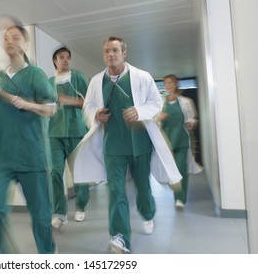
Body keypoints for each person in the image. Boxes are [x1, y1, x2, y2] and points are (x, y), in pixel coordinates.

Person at [68, 36, 182, 254]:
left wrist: (139, 111)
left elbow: (156, 103)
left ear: (124, 53)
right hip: (112, 146)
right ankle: (119, 237)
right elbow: (88, 107)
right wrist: (95, 114)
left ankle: (147, 214)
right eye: (106, 51)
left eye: (114, 51)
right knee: (116, 191)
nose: (110, 55)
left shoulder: (142, 76)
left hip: (140, 143)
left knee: (143, 187)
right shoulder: (96, 81)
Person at [0, 25, 57, 254]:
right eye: (6, 38)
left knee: (41, 215)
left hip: (31, 156)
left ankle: (47, 254)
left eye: (15, 37)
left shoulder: (35, 74)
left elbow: (51, 109)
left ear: (25, 44)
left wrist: (26, 104)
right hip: (4, 157)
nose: (9, 41)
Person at [48, 47, 90, 230]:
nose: (66, 60)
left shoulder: (78, 78)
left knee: (79, 173)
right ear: (55, 61)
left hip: (75, 131)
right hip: (54, 133)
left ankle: (81, 206)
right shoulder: (48, 82)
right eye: (61, 57)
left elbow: (89, 103)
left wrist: (66, 99)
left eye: (68, 58)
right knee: (55, 172)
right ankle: (59, 213)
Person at [157, 74, 202, 209]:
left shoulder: (186, 101)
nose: (168, 86)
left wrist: (191, 123)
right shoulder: (160, 102)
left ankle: (180, 199)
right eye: (165, 84)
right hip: (166, 140)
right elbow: (153, 119)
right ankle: (175, 188)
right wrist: (159, 117)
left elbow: (193, 118)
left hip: (181, 139)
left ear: (175, 84)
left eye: (170, 83)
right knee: (169, 170)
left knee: (181, 168)